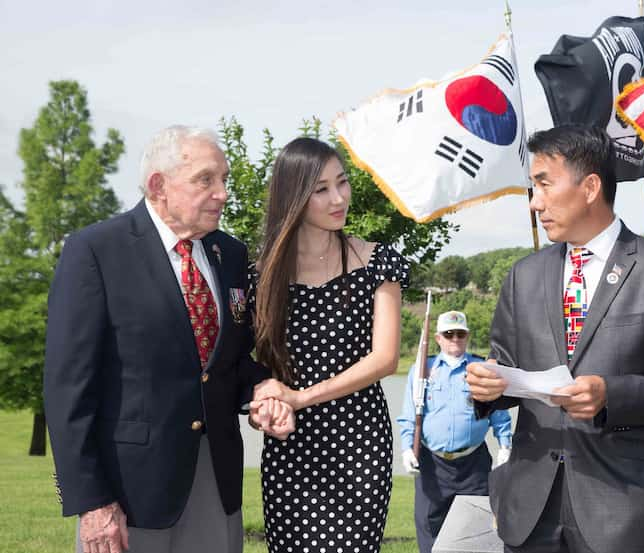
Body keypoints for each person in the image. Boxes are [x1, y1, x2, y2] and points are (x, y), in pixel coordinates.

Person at [43, 125, 295, 553]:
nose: (222, 193)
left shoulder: (229, 255)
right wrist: (92, 503)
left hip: (216, 483)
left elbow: (226, 361)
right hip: (127, 495)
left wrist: (263, 388)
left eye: (224, 179)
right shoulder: (95, 251)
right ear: (159, 185)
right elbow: (68, 390)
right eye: (206, 179)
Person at [465, 125, 644, 553]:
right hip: (531, 511)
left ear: (590, 186)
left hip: (626, 514)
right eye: (532, 186)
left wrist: (610, 394)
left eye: (544, 184)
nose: (534, 201)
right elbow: (503, 363)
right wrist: (487, 387)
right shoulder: (523, 275)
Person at [249, 137, 409, 553]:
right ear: (294, 196)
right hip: (291, 447)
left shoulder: (378, 261)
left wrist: (300, 398)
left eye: (342, 182)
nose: (338, 198)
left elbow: (385, 359)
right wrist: (266, 405)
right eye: (321, 189)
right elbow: (252, 367)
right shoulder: (260, 276)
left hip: (359, 444)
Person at [397, 310, 513, 553]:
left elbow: (499, 414)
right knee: (430, 527)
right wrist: (407, 448)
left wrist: (505, 445)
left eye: (460, 334)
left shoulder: (481, 368)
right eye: (449, 334)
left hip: (474, 462)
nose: (455, 339)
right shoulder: (422, 370)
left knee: (476, 528)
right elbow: (409, 415)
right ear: (438, 338)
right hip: (433, 463)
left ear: (467, 336)